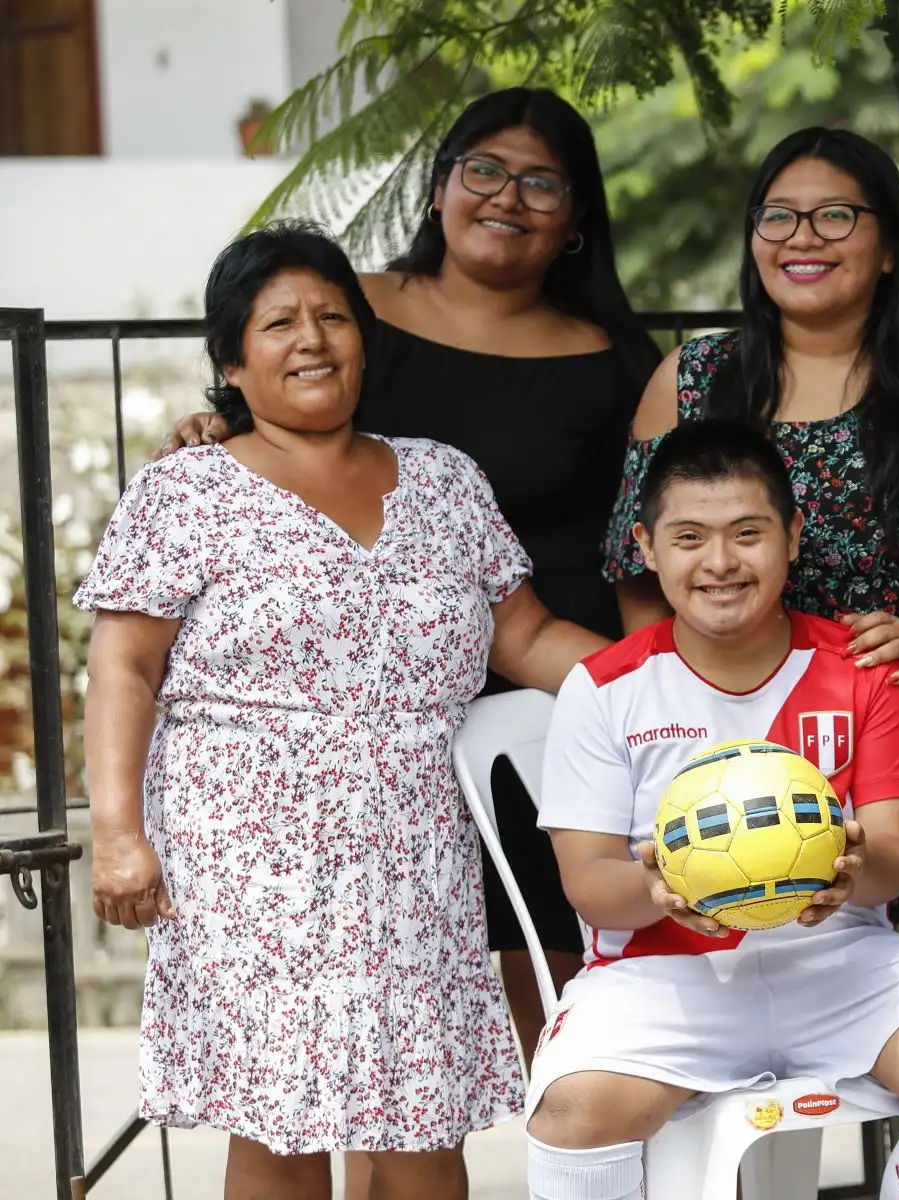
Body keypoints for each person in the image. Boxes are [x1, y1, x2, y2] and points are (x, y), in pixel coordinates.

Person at [81, 223, 609, 1200]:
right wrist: (116, 835)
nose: (312, 337)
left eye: (333, 315)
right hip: (247, 861)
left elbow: (528, 638)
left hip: (413, 851)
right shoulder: (185, 490)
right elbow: (122, 667)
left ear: (367, 343)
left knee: (420, 1122)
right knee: (281, 1126)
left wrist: (676, 681)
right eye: (278, 322)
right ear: (232, 362)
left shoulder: (444, 479)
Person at [155, 86, 660, 1064]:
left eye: (540, 182)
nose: (506, 197)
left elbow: (638, 547)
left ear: (576, 223)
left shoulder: (613, 360)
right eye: (483, 169)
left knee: (552, 960)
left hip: (543, 668)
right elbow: (279, 412)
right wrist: (221, 426)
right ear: (438, 189)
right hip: (376, 709)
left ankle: (572, 1139)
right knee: (391, 991)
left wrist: (666, 688)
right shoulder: (354, 310)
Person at [606, 126, 899, 980]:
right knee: (765, 1025)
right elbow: (642, 572)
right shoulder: (692, 382)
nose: (802, 239)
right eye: (778, 217)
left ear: (891, 248)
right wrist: (681, 703)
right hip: (748, 753)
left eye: (835, 216)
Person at [527, 419, 899, 1200]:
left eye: (748, 533)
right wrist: (661, 890)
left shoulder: (866, 672)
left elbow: (894, 861)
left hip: (837, 961)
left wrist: (852, 871)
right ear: (648, 544)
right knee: (573, 1110)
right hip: (662, 975)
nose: (722, 562)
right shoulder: (604, 688)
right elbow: (589, 882)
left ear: (794, 537)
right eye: (690, 536)